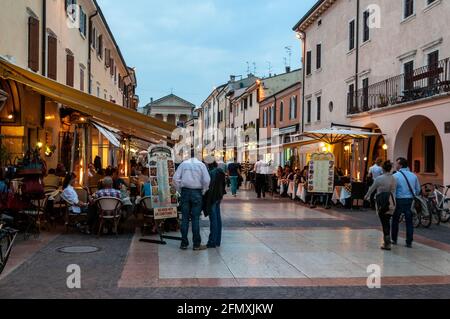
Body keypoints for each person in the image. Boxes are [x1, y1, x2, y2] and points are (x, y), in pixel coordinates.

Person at [173, 154, 211, 251]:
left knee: (184, 218)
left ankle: (184, 243)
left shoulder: (183, 164)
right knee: (195, 219)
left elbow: (175, 179)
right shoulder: (201, 165)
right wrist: (204, 191)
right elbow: (207, 180)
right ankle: (196, 244)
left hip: (185, 192)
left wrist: (180, 190)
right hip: (197, 193)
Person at [365, 161, 397, 251]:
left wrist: (366, 196)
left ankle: (387, 242)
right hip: (391, 201)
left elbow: (372, 188)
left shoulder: (379, 178)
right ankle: (387, 240)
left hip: (381, 201)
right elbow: (394, 189)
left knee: (384, 221)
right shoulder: (394, 178)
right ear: (390, 168)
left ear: (382, 168)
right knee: (387, 220)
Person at [392, 157, 420, 248]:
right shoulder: (413, 175)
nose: (396, 166)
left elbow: (393, 191)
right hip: (410, 200)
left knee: (395, 220)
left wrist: (393, 202)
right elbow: (418, 189)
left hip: (399, 200)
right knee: (409, 221)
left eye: (396, 164)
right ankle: (409, 242)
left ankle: (394, 238)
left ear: (400, 165)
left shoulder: (396, 176)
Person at [205, 162, 226, 248]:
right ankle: (217, 240)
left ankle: (212, 241)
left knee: (213, 219)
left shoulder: (211, 173)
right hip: (218, 197)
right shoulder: (220, 171)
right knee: (218, 219)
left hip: (212, 198)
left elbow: (209, 187)